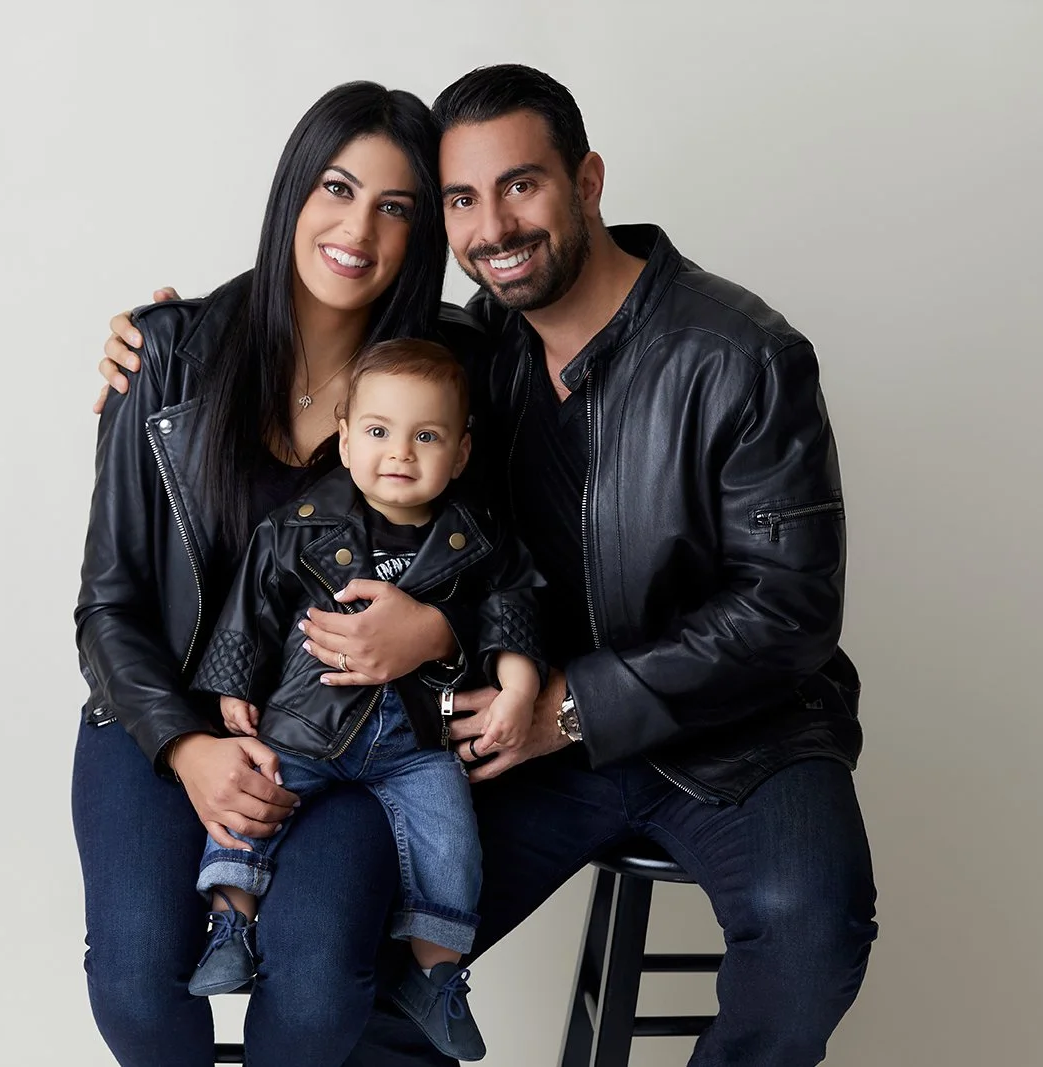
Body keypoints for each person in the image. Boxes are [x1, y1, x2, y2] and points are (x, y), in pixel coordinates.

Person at [97, 65, 877, 1067]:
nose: (493, 224)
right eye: (462, 198)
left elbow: (790, 609)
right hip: (518, 738)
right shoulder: (475, 354)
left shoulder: (739, 355)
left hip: (739, 734)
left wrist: (571, 704)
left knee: (809, 939)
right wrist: (169, 339)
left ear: (587, 181)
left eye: (522, 185)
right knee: (360, 960)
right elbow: (337, 361)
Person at [73, 80, 495, 1067]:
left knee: (316, 996)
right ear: (293, 193)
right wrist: (190, 750)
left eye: (396, 206)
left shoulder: (459, 371)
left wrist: (439, 635)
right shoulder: (167, 355)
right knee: (138, 992)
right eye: (337, 189)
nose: (358, 227)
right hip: (158, 722)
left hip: (352, 739)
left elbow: (512, 568)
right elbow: (108, 604)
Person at [187, 338, 546, 1060]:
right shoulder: (297, 527)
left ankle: (437, 977)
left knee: (453, 843)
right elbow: (249, 606)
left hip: (416, 742)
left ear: (463, 452)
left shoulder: (476, 539)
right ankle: (231, 923)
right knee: (253, 800)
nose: (400, 453)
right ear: (345, 438)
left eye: (428, 436)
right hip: (307, 724)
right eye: (379, 431)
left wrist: (522, 680)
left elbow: (514, 603)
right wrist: (232, 687)